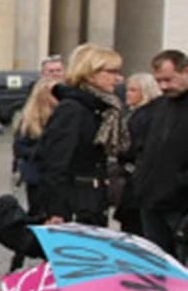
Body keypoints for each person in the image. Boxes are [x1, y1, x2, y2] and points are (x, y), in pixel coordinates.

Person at [36, 43, 128, 228]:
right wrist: (57, 210)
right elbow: (55, 162)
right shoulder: (73, 109)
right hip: (76, 205)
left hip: (93, 202)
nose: (117, 78)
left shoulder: (102, 108)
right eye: (112, 71)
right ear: (91, 73)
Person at [129, 50, 188, 257]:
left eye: (169, 80)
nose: (163, 86)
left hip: (180, 205)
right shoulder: (158, 108)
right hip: (152, 201)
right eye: (159, 81)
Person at [118, 70, 163, 234]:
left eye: (133, 90)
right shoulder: (146, 114)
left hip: (137, 181)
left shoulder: (141, 117)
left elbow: (130, 149)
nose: (127, 94)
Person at [12, 78, 59, 218]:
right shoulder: (29, 119)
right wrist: (40, 152)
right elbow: (19, 148)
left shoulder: (64, 113)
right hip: (37, 177)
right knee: (39, 215)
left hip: (57, 177)